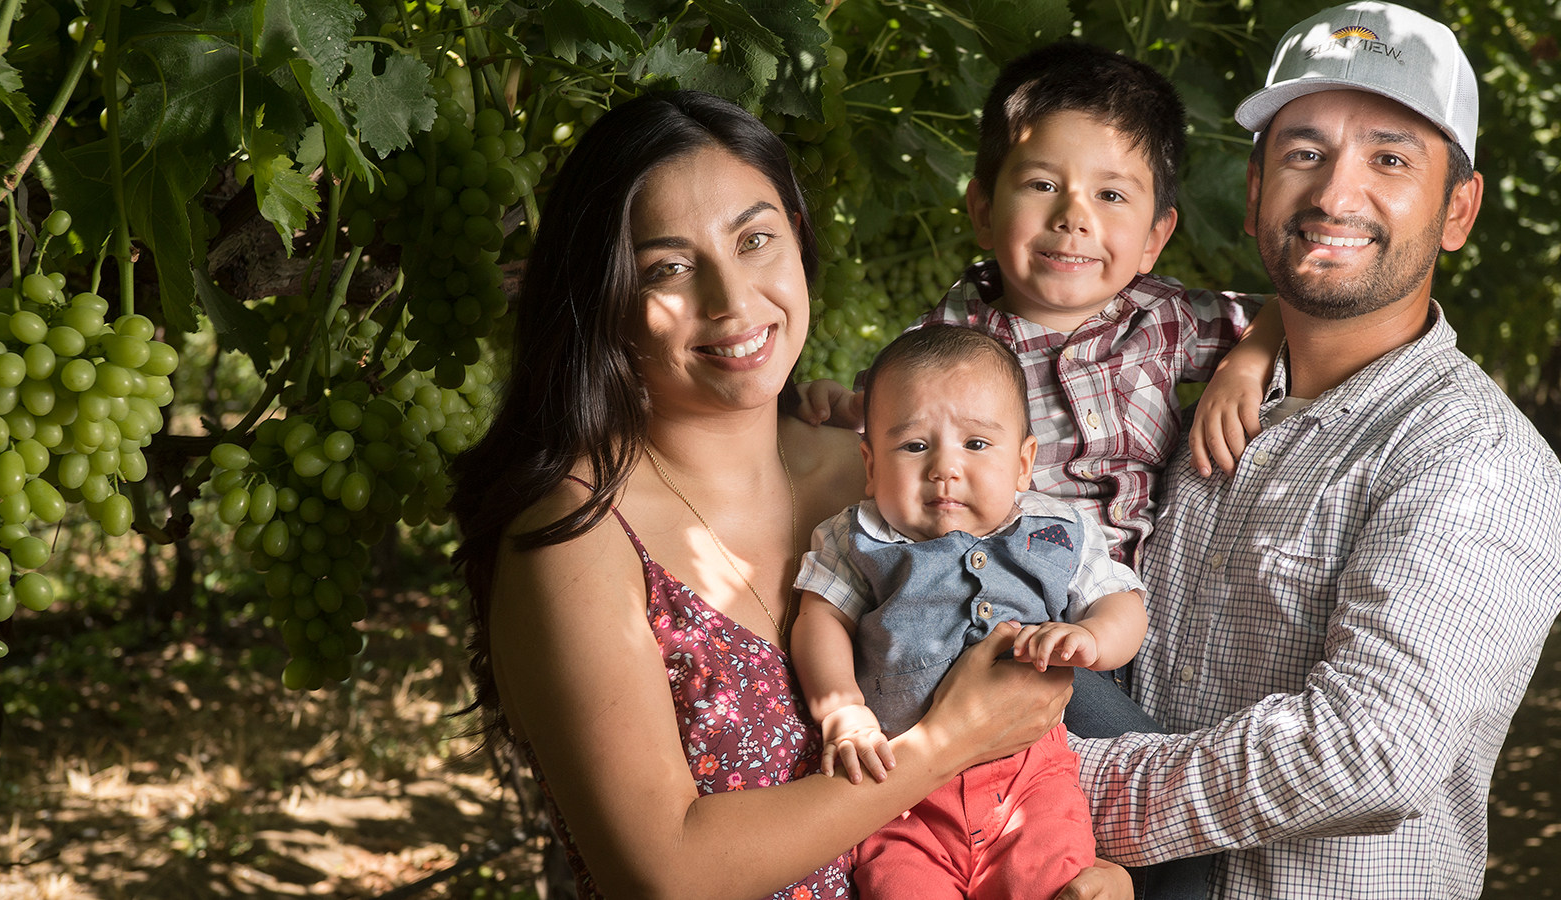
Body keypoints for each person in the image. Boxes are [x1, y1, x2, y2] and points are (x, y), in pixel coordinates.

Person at [446, 91, 1123, 900]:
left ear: (798, 243)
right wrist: (943, 742)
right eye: (668, 267)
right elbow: (667, 871)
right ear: (605, 299)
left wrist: (1099, 868)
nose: (732, 301)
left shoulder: (882, 479)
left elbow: (1053, 689)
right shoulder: (576, 535)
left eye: (755, 240)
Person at [1067, 3, 1561, 898]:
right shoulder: (1196, 404)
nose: (1336, 195)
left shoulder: (1472, 459)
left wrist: (1048, 789)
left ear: (1458, 209)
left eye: (1390, 158)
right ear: (1259, 183)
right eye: (1305, 153)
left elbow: (1370, 747)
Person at [795, 42, 1284, 567]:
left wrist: (1246, 363)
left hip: (1120, 609)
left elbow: (1289, 314)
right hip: (989, 592)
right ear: (983, 211)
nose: (1073, 217)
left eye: (1111, 195)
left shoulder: (1165, 319)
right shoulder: (945, 346)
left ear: (1154, 238)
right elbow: (886, 435)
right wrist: (833, 408)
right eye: (1042, 184)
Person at [792, 325, 1148, 899]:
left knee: (1052, 880)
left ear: (1024, 462)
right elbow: (819, 620)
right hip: (900, 795)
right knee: (898, 885)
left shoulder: (1055, 532)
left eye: (976, 445)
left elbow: (1122, 601)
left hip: (1031, 780)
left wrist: (1091, 637)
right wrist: (843, 712)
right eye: (913, 446)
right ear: (870, 463)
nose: (944, 468)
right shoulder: (858, 537)